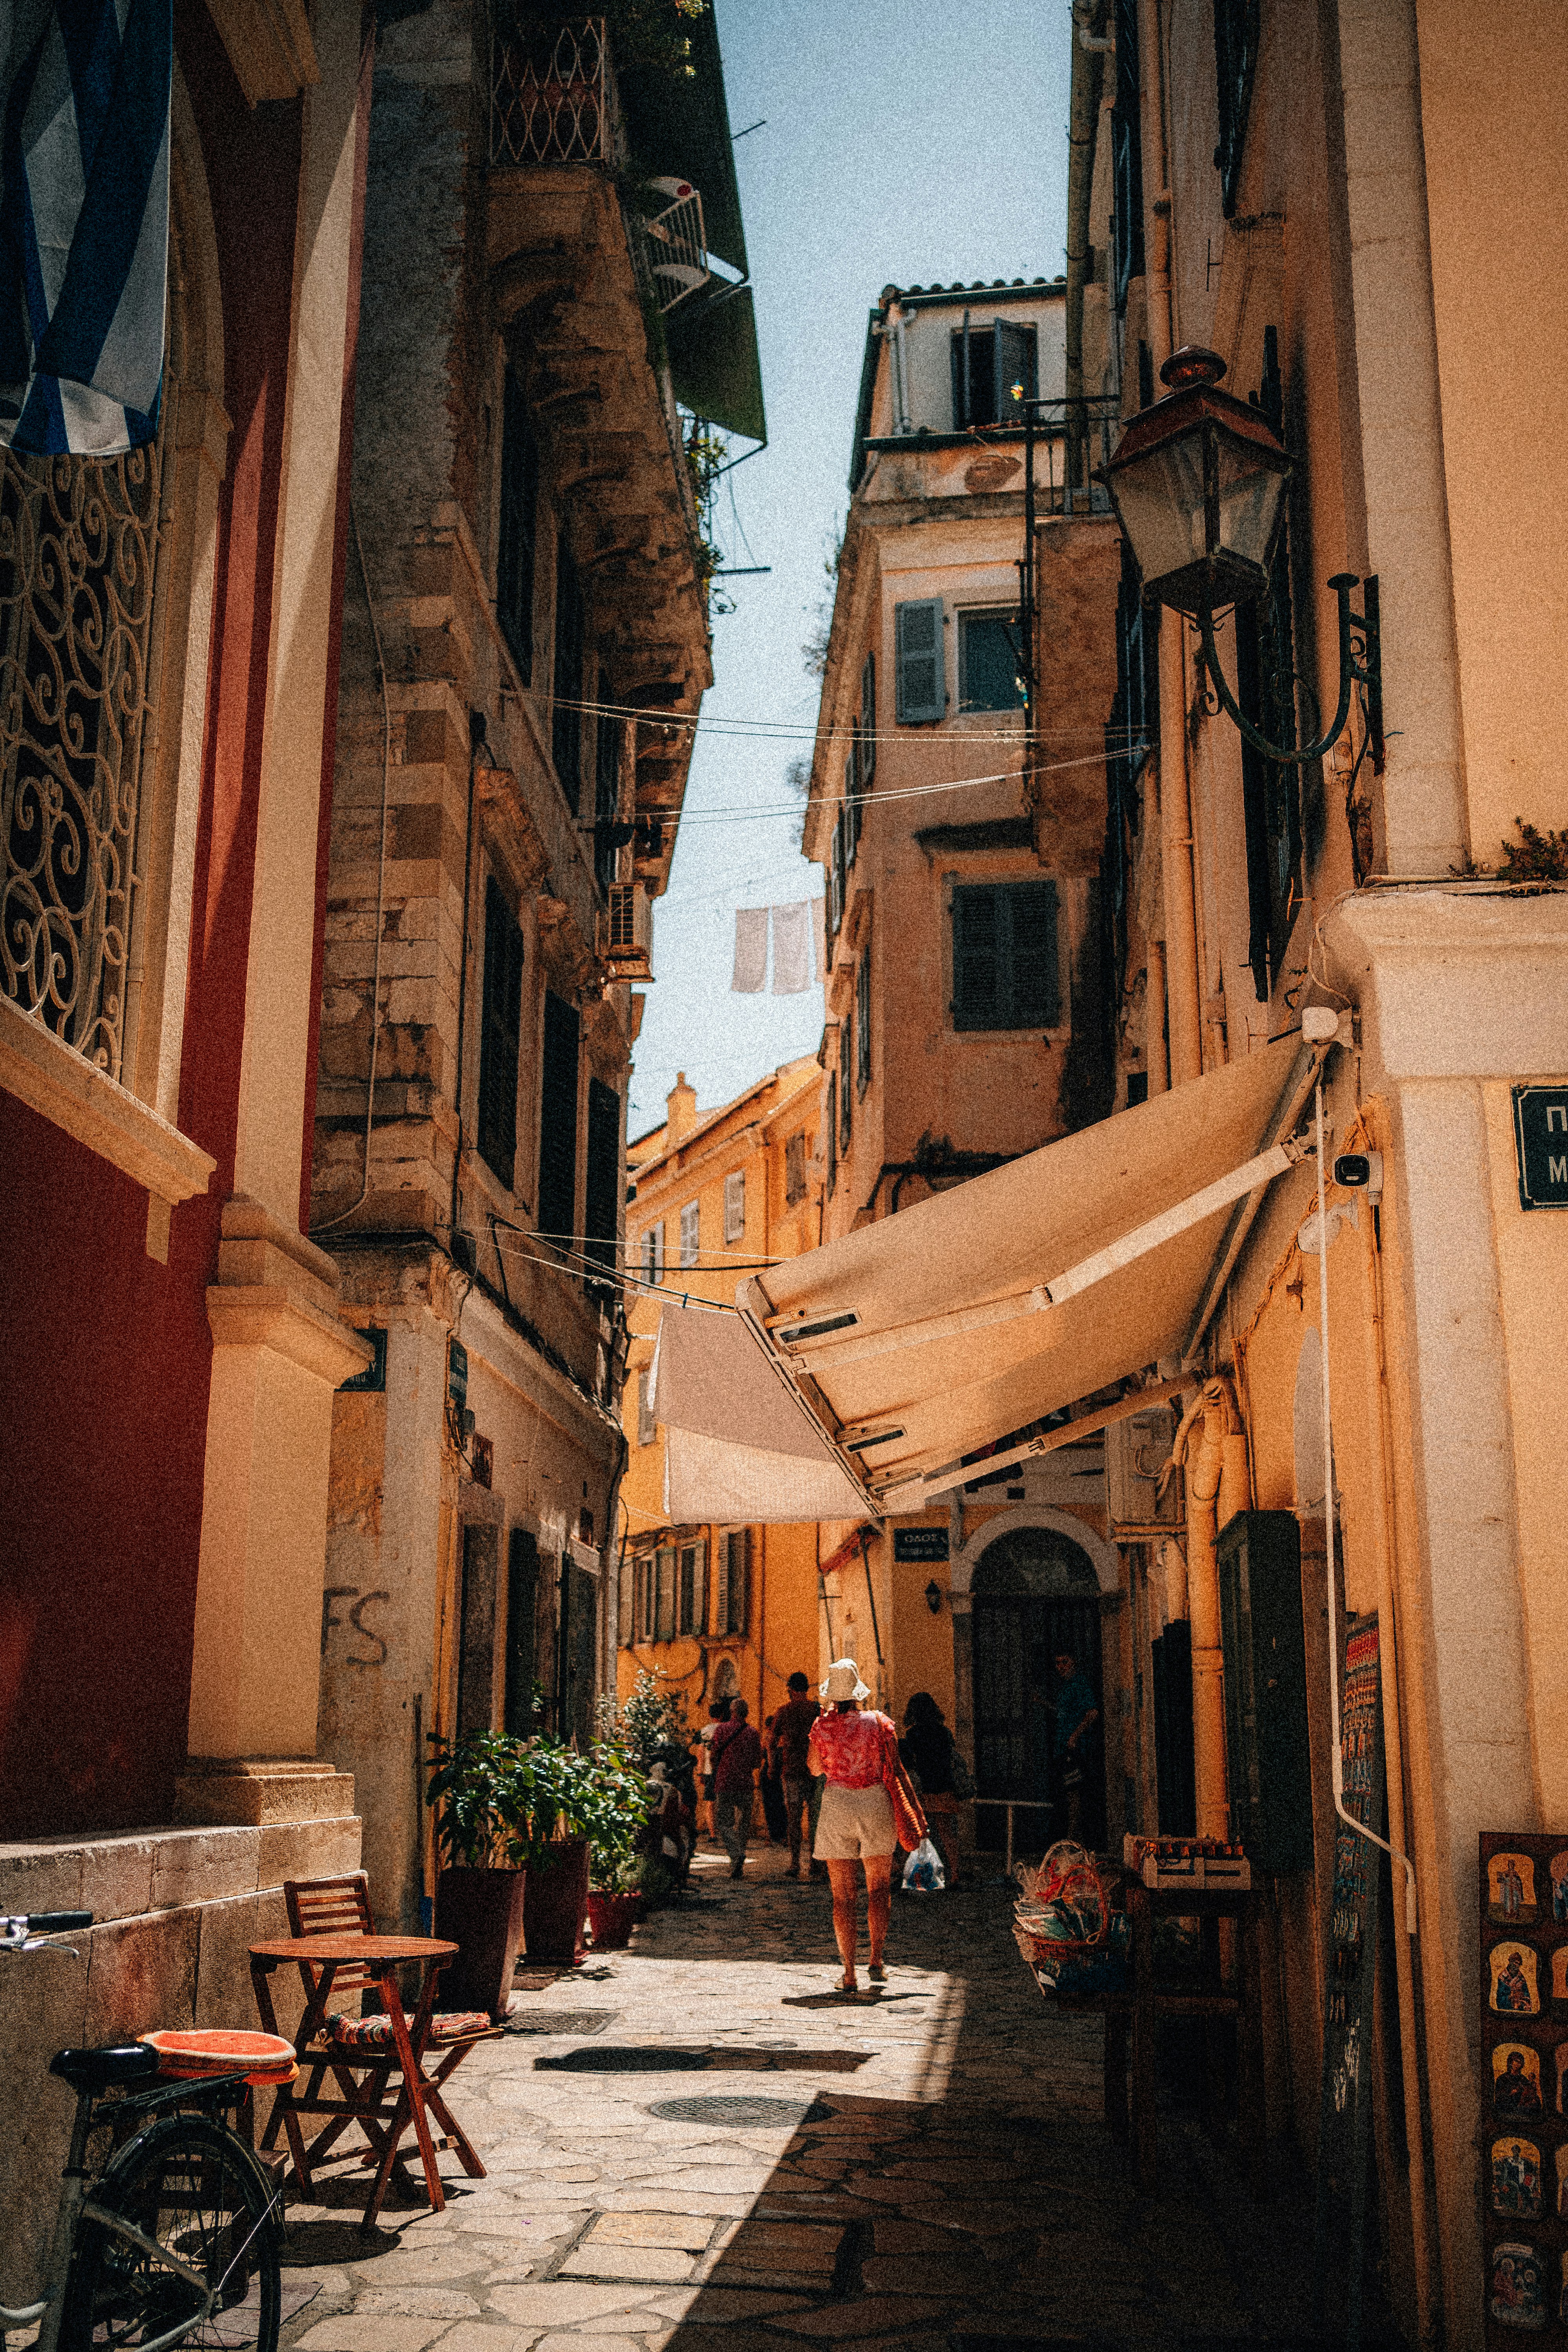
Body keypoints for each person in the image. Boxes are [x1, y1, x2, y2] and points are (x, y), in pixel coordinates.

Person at [808, 1659, 899, 1993]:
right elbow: (893, 1765)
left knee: (842, 1895)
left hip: (837, 1805)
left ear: (832, 1695)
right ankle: (877, 1959)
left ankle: (849, 1972)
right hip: (874, 1801)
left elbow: (815, 1769)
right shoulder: (880, 1723)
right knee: (879, 1887)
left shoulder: (821, 1727)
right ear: (859, 1692)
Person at [898, 1691, 961, 1888]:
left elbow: (909, 1762)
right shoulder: (945, 1732)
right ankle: (956, 1875)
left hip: (922, 1790)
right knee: (947, 1835)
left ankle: (904, 1873)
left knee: (913, 1832)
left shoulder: (912, 1735)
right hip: (944, 1787)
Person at [769, 1670, 821, 1880]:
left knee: (794, 1818)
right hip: (815, 1771)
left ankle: (795, 1863)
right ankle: (816, 1862)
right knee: (815, 1819)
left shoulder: (783, 1712)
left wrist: (773, 1766)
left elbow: (771, 1742)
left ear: (790, 1690)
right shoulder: (817, 1710)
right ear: (807, 1689)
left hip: (792, 1771)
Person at [710, 1698, 763, 1878]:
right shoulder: (753, 1733)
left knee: (723, 1823)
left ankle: (735, 1855)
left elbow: (714, 1755)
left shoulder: (722, 1730)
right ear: (747, 1713)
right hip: (746, 1784)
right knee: (743, 1825)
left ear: (732, 1712)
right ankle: (737, 1863)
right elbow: (757, 1762)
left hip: (725, 1782)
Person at [1051, 1652, 1099, 1842]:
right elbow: (1065, 1713)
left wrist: (1075, 1736)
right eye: (1058, 1663)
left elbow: (1093, 1712)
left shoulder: (1080, 1685)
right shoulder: (1064, 1688)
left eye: (1065, 1662)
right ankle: (1071, 1836)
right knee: (1068, 1791)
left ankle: (1074, 1837)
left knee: (1074, 1792)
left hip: (1074, 1749)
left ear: (1074, 1662)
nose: (1061, 1667)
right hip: (1062, 1748)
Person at [696, 1698, 730, 1839]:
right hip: (725, 1770)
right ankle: (726, 1831)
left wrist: (700, 1773)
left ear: (710, 1716)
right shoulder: (727, 1730)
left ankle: (712, 1833)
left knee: (710, 1803)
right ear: (722, 1715)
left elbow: (701, 1753)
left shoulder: (705, 1731)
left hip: (709, 1771)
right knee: (725, 1801)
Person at [758, 1715, 789, 1844]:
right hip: (782, 1773)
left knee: (769, 1805)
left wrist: (770, 1768)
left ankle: (772, 1836)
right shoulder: (785, 1739)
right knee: (782, 1804)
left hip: (769, 1773)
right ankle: (783, 1836)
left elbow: (763, 1755)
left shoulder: (767, 1737)